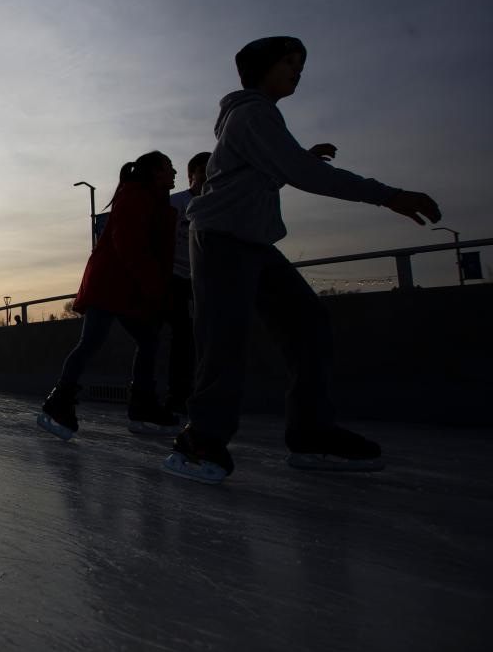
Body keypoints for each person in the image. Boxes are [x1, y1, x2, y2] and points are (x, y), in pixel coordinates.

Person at [164, 36, 441, 484]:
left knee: (309, 324)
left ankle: (312, 432)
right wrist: (388, 195)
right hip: (220, 240)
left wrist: (297, 161)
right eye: (289, 62)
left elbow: (269, 173)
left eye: (301, 64)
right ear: (262, 68)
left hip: (253, 242)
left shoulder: (258, 118)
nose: (298, 70)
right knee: (224, 339)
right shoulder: (253, 112)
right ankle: (202, 437)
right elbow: (304, 174)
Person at [37, 151, 179, 440]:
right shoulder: (136, 196)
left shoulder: (154, 200)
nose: (174, 173)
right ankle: (59, 401)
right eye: (169, 168)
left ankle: (142, 404)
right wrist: (155, 290)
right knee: (92, 342)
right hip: (111, 285)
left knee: (148, 340)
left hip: (128, 287)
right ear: (155, 172)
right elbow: (130, 246)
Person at [163, 151, 209, 417]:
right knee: (181, 336)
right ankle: (176, 396)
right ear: (191, 176)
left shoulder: (221, 202)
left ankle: (199, 394)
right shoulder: (175, 203)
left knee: (203, 337)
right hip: (173, 277)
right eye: (202, 172)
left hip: (202, 277)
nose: (207, 178)